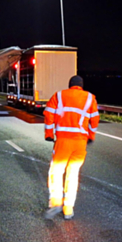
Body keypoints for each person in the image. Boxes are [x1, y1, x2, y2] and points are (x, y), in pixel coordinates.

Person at [43, 75, 99, 220]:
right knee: (73, 174)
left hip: (63, 140)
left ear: (70, 85)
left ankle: (56, 202)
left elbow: (49, 114)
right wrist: (91, 135)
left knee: (56, 171)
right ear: (81, 85)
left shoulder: (59, 95)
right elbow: (95, 119)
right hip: (80, 142)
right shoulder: (90, 98)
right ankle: (68, 208)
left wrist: (49, 133)